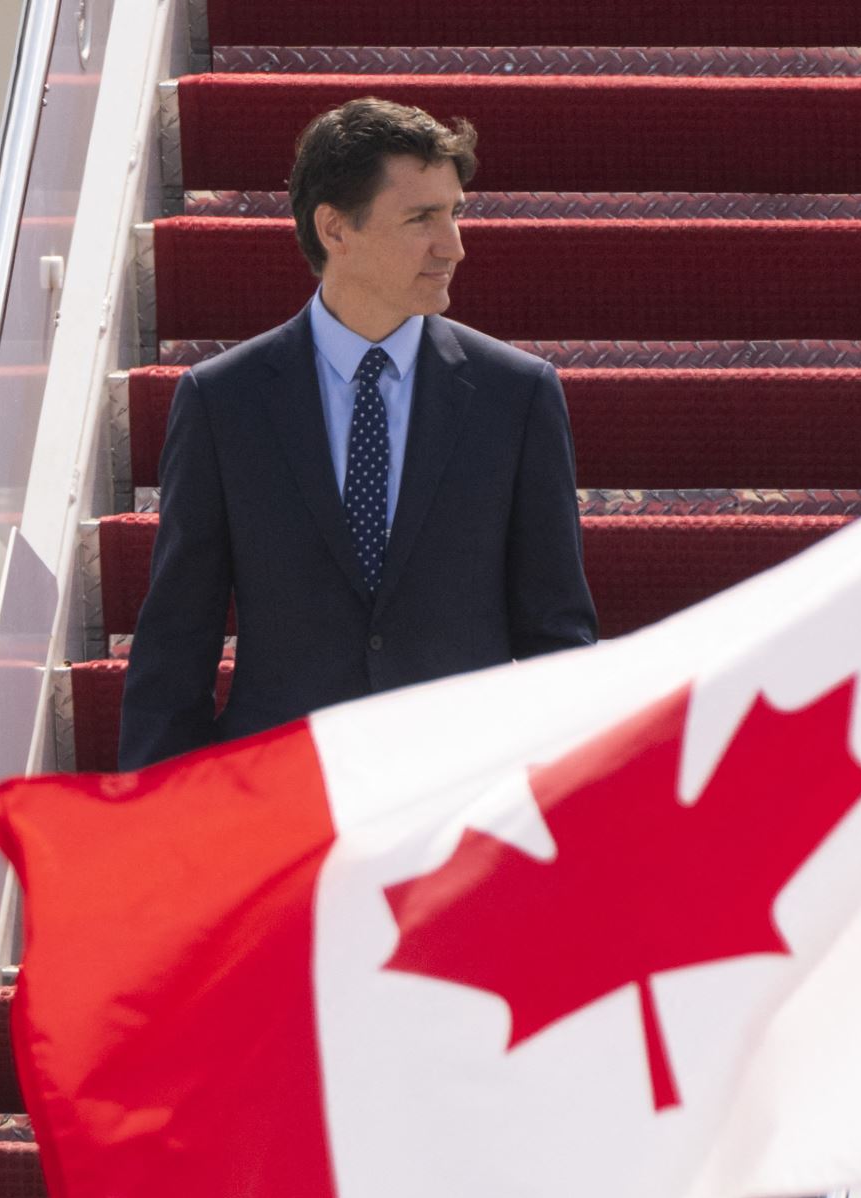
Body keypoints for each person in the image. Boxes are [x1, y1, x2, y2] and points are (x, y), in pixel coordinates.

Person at [117, 97, 598, 770]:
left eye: (454, 213)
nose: (453, 245)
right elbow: (177, 637)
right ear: (335, 229)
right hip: (282, 798)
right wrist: (158, 821)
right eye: (421, 218)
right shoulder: (223, 401)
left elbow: (557, 636)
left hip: (458, 801)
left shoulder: (515, 395)